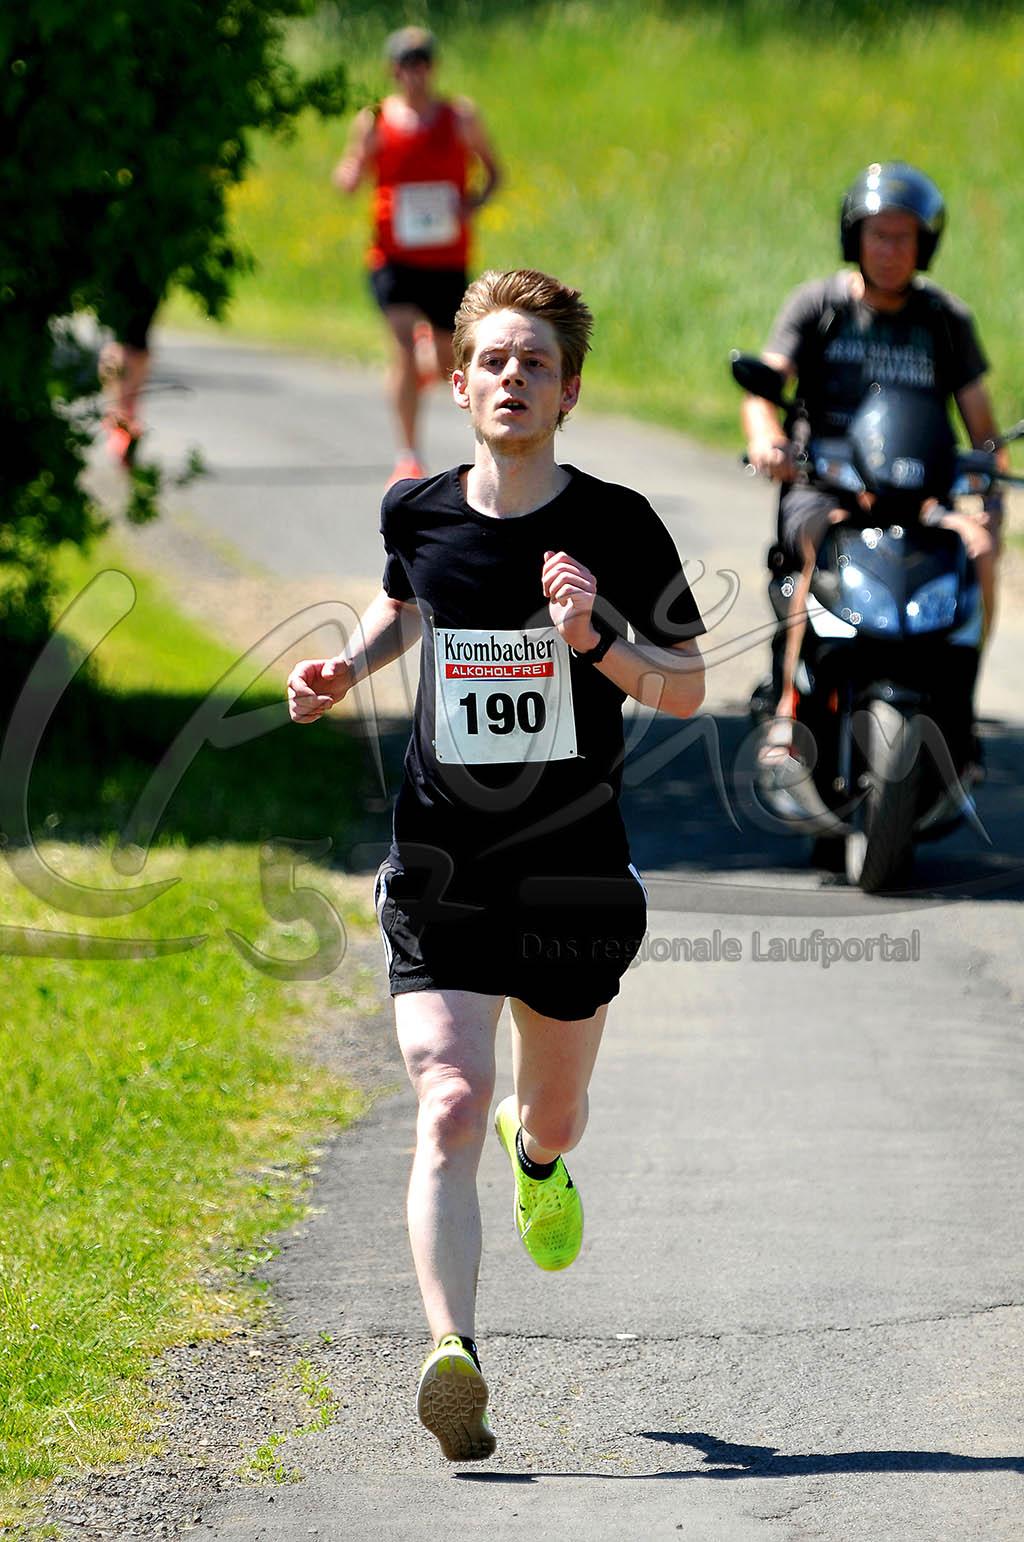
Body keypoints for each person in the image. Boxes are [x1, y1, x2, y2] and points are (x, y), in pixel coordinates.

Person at [287, 268, 705, 1461]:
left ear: (568, 392)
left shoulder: (618, 525)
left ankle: (540, 1160)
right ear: (458, 382)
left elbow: (688, 688)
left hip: (573, 872)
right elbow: (406, 605)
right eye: (493, 361)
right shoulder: (417, 511)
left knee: (549, 1115)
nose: (512, 378)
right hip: (442, 862)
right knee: (449, 1098)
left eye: (535, 363)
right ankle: (452, 1355)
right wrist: (344, 668)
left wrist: (594, 637)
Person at [741, 161, 1006, 758]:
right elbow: (765, 389)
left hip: (918, 494)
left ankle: (959, 708)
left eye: (903, 238)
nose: (890, 250)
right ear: (854, 238)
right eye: (878, 235)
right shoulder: (819, 306)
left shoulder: (945, 320)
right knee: (826, 544)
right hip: (824, 485)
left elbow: (983, 429)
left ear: (924, 245)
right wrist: (768, 439)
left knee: (979, 552)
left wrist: (990, 498)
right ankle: (790, 710)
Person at [333, 26, 501, 487]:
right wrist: (348, 174)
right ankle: (408, 457)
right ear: (394, 70)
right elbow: (351, 171)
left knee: (448, 359)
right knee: (403, 348)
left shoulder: (460, 117)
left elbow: (494, 173)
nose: (416, 73)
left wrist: (473, 203)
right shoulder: (375, 120)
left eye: (423, 63)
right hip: (393, 255)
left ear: (433, 67)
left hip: (447, 257)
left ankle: (424, 365)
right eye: (407, 64)